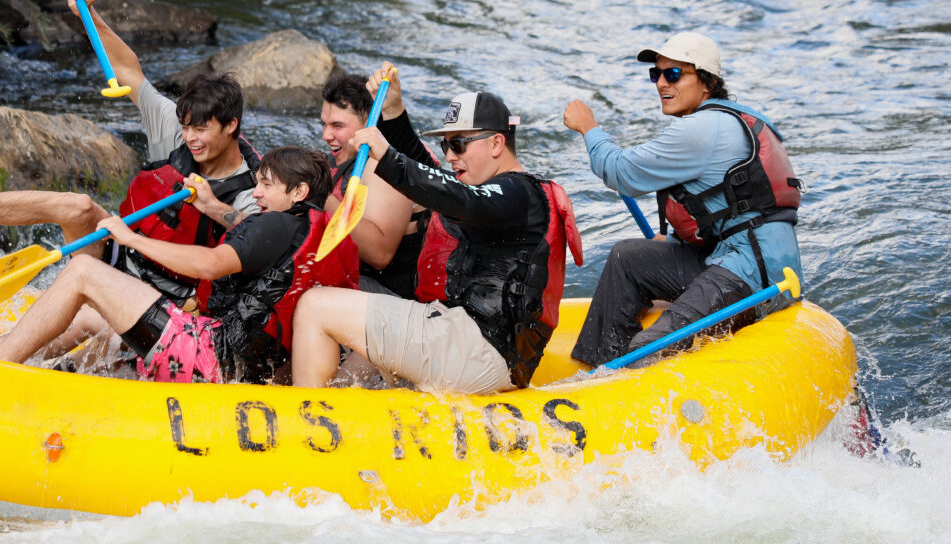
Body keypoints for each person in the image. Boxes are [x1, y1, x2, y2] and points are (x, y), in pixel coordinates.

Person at [0, 147, 358, 383]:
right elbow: (247, 236)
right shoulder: (309, 229)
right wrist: (212, 207)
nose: (257, 192)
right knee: (96, 312)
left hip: (208, 357)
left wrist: (131, 239)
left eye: (266, 185)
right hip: (240, 366)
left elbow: (210, 265)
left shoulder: (274, 224)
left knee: (85, 273)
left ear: (299, 190)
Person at [292, 88, 582, 394]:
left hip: (474, 351)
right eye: (445, 144)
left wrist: (388, 157)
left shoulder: (517, 193)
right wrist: (394, 113)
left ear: (497, 143)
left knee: (315, 305)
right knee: (357, 367)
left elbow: (460, 198)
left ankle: (306, 425)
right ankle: (339, 413)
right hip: (482, 352)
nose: (449, 155)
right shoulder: (492, 192)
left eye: (458, 144)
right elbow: (432, 175)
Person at [0, 71, 262, 311]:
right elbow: (128, 70)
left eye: (199, 129)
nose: (190, 138)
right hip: (123, 256)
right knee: (77, 206)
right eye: (186, 128)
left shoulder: (253, 187)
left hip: (168, 296)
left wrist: (213, 206)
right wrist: (88, 12)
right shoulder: (181, 129)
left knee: (86, 289)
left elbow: (266, 239)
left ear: (231, 125)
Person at [562, 31, 803, 367]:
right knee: (626, 257)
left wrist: (589, 128)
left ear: (707, 82)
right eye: (656, 74)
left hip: (754, 276)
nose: (661, 83)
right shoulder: (727, 120)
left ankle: (621, 374)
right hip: (731, 256)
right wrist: (674, 240)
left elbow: (623, 174)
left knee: (646, 352)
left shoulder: (702, 129)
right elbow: (730, 209)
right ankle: (597, 368)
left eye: (673, 74)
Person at [319, 66, 434, 296]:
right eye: (324, 123)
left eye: (338, 126)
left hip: (397, 299)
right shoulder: (347, 159)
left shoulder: (387, 163)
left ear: (369, 123)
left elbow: (380, 254)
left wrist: (320, 196)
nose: (326, 135)